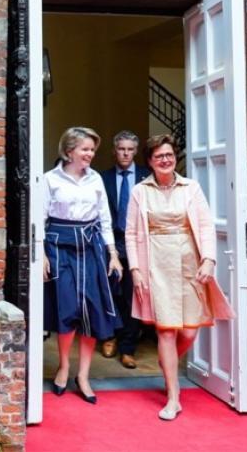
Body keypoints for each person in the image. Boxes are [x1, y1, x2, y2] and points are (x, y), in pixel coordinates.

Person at [126, 134, 234, 421]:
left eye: (169, 155)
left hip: (189, 263)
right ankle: (173, 397)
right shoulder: (140, 191)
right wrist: (136, 270)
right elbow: (132, 233)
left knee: (188, 331)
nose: (166, 160)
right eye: (159, 156)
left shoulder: (191, 188)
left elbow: (206, 226)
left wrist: (209, 260)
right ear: (149, 161)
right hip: (156, 264)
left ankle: (168, 361)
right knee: (166, 330)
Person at [43, 126, 122, 405]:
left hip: (91, 247)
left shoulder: (96, 179)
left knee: (92, 311)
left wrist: (112, 253)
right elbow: (39, 218)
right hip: (59, 248)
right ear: (69, 151)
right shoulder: (50, 179)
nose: (90, 154)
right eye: (85, 149)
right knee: (67, 311)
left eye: (92, 150)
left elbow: (105, 218)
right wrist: (40, 254)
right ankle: (64, 367)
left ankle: (84, 376)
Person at [99, 131, 150, 368]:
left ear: (135, 151)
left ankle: (128, 347)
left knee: (133, 294)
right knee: (109, 292)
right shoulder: (102, 178)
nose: (126, 153)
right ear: (114, 150)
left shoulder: (146, 177)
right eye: (122, 149)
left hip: (137, 243)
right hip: (110, 242)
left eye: (130, 149)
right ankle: (109, 336)